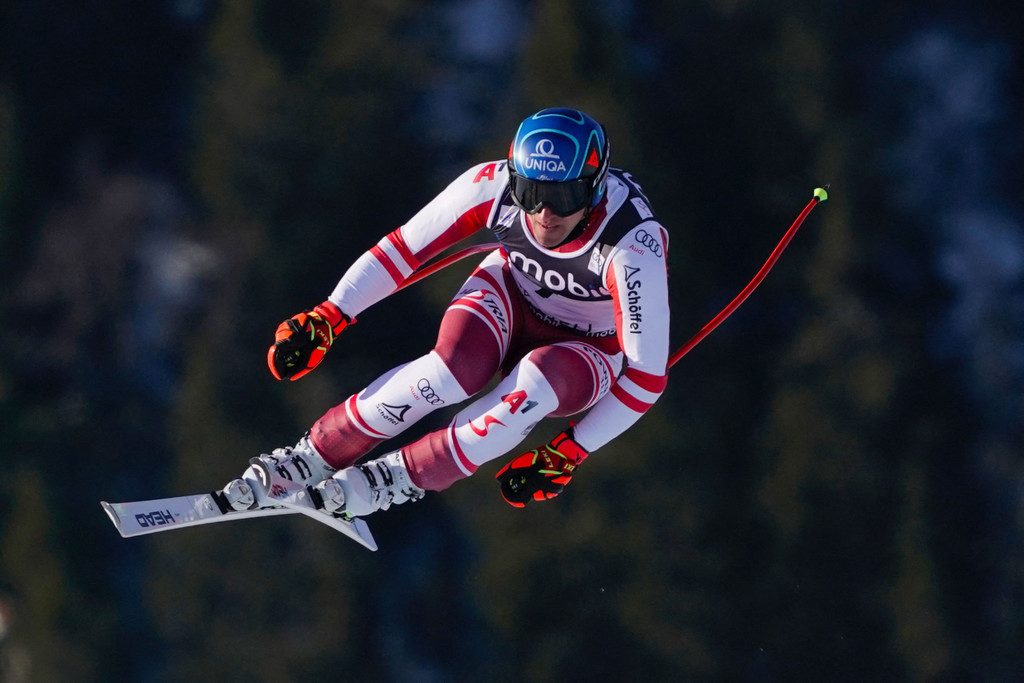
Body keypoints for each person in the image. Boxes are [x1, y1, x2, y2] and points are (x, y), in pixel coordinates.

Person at [220, 107, 670, 518]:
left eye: (565, 197)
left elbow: (646, 375)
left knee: (534, 385)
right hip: (512, 294)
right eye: (530, 192)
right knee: (451, 370)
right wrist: (329, 316)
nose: (544, 213)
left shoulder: (631, 245)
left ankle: (395, 479)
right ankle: (310, 457)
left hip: (588, 346)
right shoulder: (492, 186)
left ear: (594, 188)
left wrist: (572, 449)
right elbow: (402, 249)